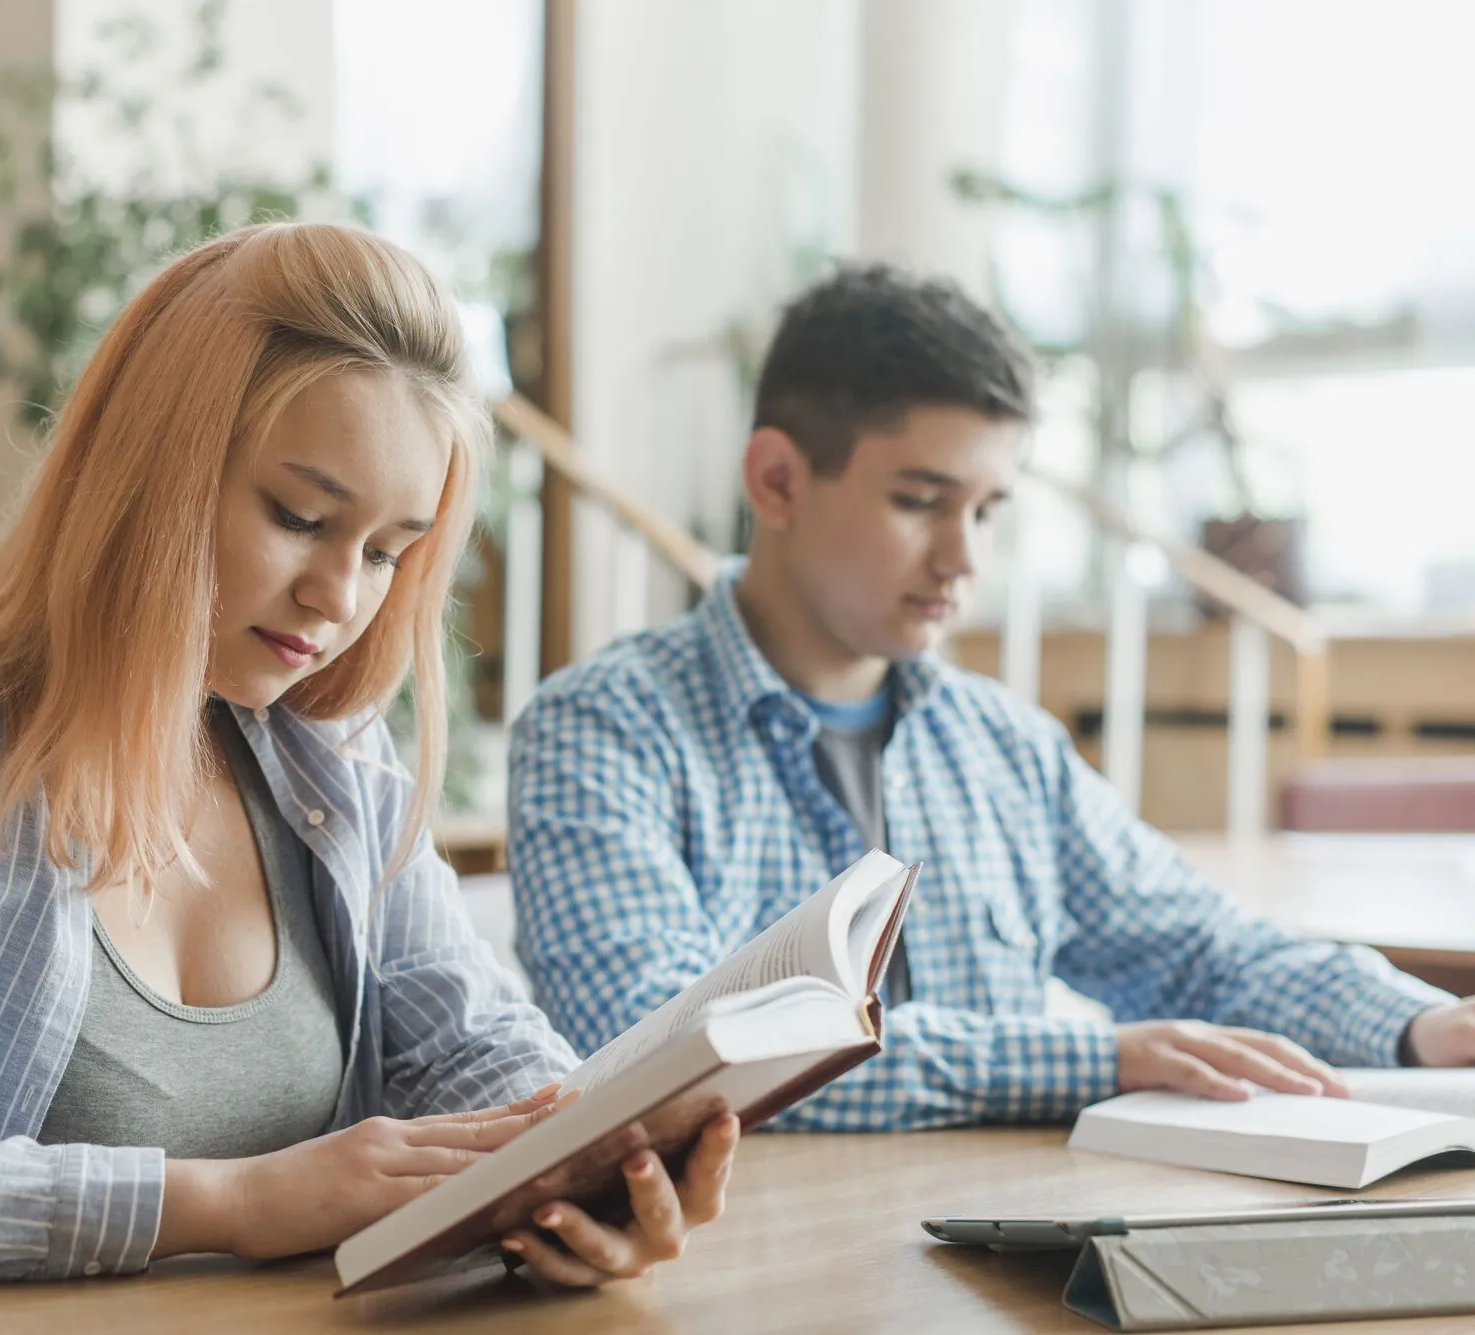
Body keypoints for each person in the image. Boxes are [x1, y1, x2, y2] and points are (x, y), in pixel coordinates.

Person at [0, 224, 737, 1286]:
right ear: (153, 470)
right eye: (298, 518)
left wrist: (580, 1177)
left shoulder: (327, 756)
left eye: (388, 553)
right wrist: (219, 1204)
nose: (337, 597)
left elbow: (477, 1054)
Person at [508, 263, 1475, 1133]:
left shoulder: (1004, 744)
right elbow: (666, 1059)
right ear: (778, 480)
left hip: (995, 1259)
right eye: (920, 501)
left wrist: (1423, 1026)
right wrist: (1091, 1056)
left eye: (987, 510)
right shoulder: (602, 728)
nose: (964, 559)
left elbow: (1201, 949)